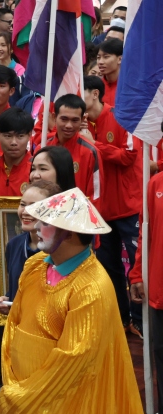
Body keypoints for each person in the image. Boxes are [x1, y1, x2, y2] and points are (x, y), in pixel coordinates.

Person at [0, 187, 163, 414]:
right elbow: (14, 325)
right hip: (26, 407)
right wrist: (13, 384)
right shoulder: (33, 266)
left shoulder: (92, 287)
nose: (35, 226)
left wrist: (21, 398)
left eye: (45, 222)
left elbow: (72, 363)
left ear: (69, 233)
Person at [81, 75, 140, 335]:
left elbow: (129, 156)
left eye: (81, 91)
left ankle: (140, 320)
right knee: (108, 267)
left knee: (136, 269)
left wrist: (95, 145)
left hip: (128, 206)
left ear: (95, 94)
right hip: (100, 209)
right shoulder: (80, 124)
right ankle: (121, 319)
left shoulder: (121, 117)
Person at [0, 180, 61, 315]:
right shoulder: (13, 245)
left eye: (34, 206)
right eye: (22, 204)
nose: (25, 211)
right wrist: (9, 300)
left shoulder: (58, 249)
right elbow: (16, 289)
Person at [130, 166, 163, 414]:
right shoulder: (155, 184)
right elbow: (145, 233)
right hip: (159, 287)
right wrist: (137, 274)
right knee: (161, 354)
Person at [39, 94, 101, 202]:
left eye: (74, 120)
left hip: (78, 211)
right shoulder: (43, 148)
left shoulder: (90, 152)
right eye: (64, 119)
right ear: (54, 117)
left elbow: (95, 196)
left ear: (82, 120)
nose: (69, 125)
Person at [97, 38, 122, 106]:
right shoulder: (96, 87)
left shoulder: (130, 87)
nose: (100, 62)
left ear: (120, 59)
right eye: (98, 57)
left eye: (106, 57)